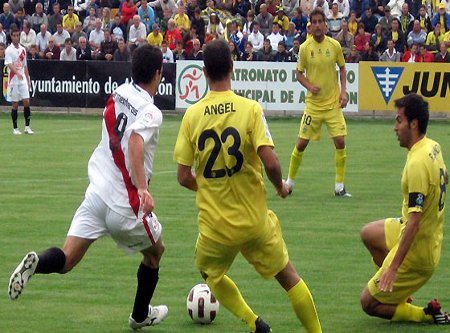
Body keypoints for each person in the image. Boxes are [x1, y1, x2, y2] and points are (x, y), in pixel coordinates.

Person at [8, 44, 169, 331]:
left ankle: (37, 263)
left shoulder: (118, 92)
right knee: (156, 252)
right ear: (158, 74)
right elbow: (135, 141)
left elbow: (114, 126)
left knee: (67, 259)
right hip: (124, 204)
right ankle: (139, 316)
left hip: (96, 193)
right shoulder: (151, 110)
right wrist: (143, 188)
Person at [173, 39, 323, 333]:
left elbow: (182, 176)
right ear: (232, 67)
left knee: (208, 272)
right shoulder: (250, 109)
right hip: (254, 221)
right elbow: (270, 162)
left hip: (216, 227)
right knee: (288, 276)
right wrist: (280, 186)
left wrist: (208, 189)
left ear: (204, 72)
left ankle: (254, 322)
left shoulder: (192, 116)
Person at [360, 93, 449, 326]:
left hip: (418, 251)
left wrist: (393, 268)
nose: (394, 127)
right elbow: (444, 178)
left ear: (414, 124)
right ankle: (400, 296)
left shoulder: (418, 163)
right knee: (369, 234)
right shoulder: (433, 146)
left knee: (368, 303)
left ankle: (424, 314)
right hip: (420, 235)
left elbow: (415, 223)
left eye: (399, 120)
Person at [286, 8, 350, 197]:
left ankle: (339, 186)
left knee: (340, 142)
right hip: (313, 106)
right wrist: (309, 86)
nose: (317, 25)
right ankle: (289, 183)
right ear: (310, 25)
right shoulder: (305, 48)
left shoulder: (335, 46)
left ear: (325, 24)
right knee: (301, 144)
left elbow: (343, 69)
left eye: (320, 22)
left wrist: (344, 93)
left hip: (332, 105)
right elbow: (298, 74)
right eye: (313, 22)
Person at [5, 28, 33, 136]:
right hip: (13, 80)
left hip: (22, 80)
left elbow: (25, 65)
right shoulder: (9, 50)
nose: (16, 38)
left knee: (26, 101)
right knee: (15, 104)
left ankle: (27, 126)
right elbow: (9, 64)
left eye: (18, 35)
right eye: (14, 36)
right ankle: (15, 128)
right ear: (11, 36)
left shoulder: (23, 49)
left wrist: (28, 78)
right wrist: (17, 72)